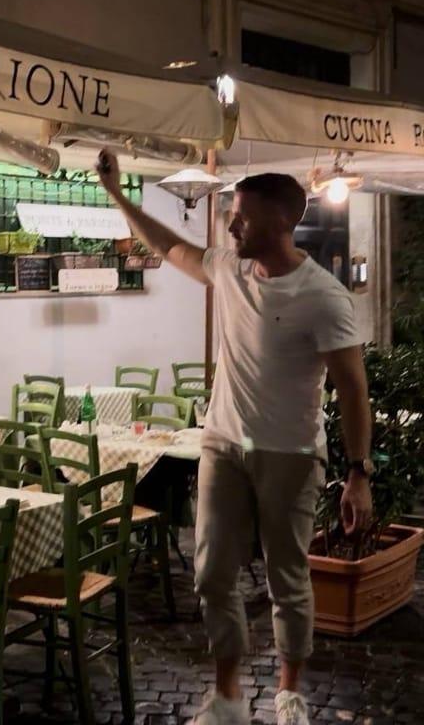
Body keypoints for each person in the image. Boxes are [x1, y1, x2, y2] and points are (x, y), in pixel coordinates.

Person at [97, 149, 373, 725]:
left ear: (281, 219)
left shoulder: (323, 296)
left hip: (291, 454)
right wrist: (118, 196)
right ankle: (227, 698)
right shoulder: (229, 269)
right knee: (211, 574)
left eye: (241, 215)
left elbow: (352, 389)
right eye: (231, 214)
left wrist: (358, 473)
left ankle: (289, 695)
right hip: (222, 444)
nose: (230, 224)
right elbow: (167, 245)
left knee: (287, 578)